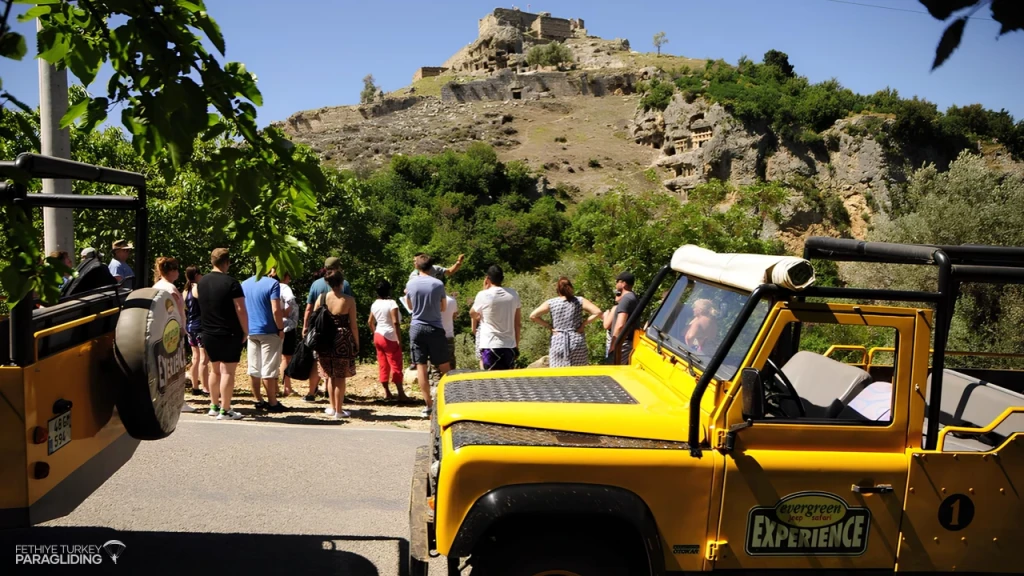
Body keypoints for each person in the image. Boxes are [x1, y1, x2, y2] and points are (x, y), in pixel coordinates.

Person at [197, 248, 248, 421]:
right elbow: (240, 309)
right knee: (228, 372)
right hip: (229, 332)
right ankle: (225, 410)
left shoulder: (202, 282)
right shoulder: (232, 283)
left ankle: (214, 405)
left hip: (208, 332)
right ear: (226, 262)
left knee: (215, 369)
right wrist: (246, 330)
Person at [405, 254, 450, 416]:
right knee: (444, 365)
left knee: (421, 367)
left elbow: (409, 305)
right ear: (431, 267)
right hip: (435, 327)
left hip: (417, 327)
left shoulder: (411, 283)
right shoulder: (438, 284)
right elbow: (443, 307)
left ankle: (428, 405)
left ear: (417, 267)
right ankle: (449, 400)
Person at [303, 257, 353, 402]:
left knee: (317, 361)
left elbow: (309, 308)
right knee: (339, 364)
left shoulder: (316, 284)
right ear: (338, 268)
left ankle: (311, 393)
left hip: (320, 330)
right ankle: (333, 394)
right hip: (339, 330)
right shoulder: (345, 284)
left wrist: (306, 326)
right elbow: (348, 307)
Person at [312, 269, 359, 419]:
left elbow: (314, 318)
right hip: (342, 338)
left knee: (329, 375)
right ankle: (339, 410)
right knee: (340, 376)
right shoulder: (349, 300)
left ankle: (332, 407)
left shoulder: (322, 297)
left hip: (324, 338)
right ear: (341, 282)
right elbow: (353, 325)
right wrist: (356, 343)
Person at [529, 277, 602, 367]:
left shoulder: (551, 302)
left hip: (558, 341)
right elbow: (598, 312)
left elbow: (533, 316)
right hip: (576, 341)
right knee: (579, 374)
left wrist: (549, 326)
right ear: (571, 287)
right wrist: (583, 324)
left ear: (558, 289)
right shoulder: (579, 300)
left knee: (559, 375)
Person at [242, 270, 287, 413]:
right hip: (269, 330)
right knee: (269, 368)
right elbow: (276, 309)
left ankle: (258, 400)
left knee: (254, 368)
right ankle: (272, 403)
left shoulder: (245, 283)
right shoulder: (273, 283)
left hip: (251, 330)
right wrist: (280, 328)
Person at [153, 256, 192, 412]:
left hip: (162, 331)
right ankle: (179, 401)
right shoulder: (171, 289)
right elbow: (176, 312)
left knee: (165, 369)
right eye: (176, 269)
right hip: (174, 332)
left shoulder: (157, 286)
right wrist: (182, 330)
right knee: (176, 369)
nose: (178, 273)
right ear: (172, 271)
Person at [470, 265, 521, 371]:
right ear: (502, 278)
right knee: (508, 380)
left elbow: (472, 313)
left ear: (487, 279)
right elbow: (517, 324)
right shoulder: (514, 294)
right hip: (509, 345)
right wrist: (516, 345)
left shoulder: (482, 295)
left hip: (489, 344)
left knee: (490, 381)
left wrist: (478, 316)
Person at [369, 280, 408, 401]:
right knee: (396, 364)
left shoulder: (375, 304)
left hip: (378, 335)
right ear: (389, 290)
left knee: (383, 364)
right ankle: (401, 393)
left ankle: (387, 393)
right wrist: (399, 340)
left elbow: (370, 322)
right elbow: (395, 322)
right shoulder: (392, 303)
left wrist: (375, 332)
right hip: (390, 336)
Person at [182, 266, 210, 398]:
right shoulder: (196, 288)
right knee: (204, 358)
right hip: (200, 326)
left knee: (195, 358)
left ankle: (195, 387)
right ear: (197, 275)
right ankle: (205, 387)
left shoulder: (185, 290)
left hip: (190, 325)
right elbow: (205, 304)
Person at [270, 269, 299, 397]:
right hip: (287, 326)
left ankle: (274, 387)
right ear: (285, 276)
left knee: (273, 357)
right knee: (286, 357)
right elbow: (290, 300)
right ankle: (287, 387)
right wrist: (285, 313)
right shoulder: (284, 287)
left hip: (271, 326)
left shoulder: (269, 285)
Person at [608, 272, 639, 364]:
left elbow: (620, 324)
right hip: (628, 342)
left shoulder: (626, 299)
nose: (616, 284)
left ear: (624, 283)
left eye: (617, 281)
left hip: (623, 343)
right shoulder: (633, 297)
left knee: (612, 370)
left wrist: (614, 345)